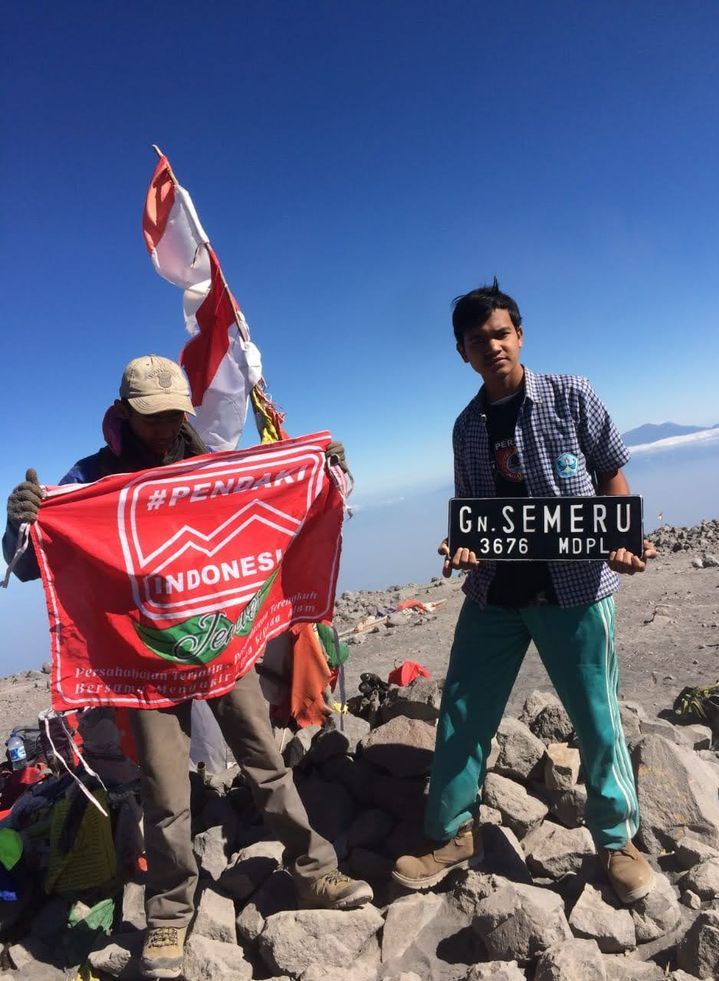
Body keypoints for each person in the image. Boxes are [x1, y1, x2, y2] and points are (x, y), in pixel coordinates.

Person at [3, 355, 372, 979]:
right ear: (122, 413)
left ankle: (315, 870)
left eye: (175, 413)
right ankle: (170, 917)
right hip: (145, 663)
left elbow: (276, 499)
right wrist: (20, 523)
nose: (166, 425)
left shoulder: (209, 466)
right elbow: (31, 561)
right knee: (166, 793)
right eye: (152, 417)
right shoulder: (89, 479)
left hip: (221, 645)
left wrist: (320, 468)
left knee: (267, 763)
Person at [392, 281, 656, 905]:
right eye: (478, 339)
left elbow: (612, 475)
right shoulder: (466, 427)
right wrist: (461, 548)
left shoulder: (572, 395)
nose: (493, 346)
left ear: (520, 335)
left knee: (598, 719)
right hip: (495, 595)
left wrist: (624, 536)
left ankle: (616, 841)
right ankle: (454, 832)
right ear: (462, 352)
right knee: (462, 711)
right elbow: (477, 519)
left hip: (576, 590)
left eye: (502, 333)